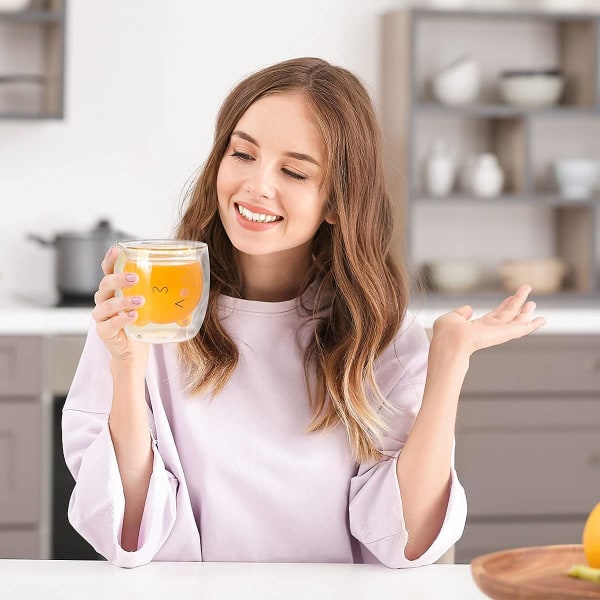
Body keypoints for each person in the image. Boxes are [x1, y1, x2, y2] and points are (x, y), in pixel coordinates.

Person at [62, 57, 545, 569]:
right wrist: (127, 365)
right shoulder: (147, 311)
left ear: (338, 200)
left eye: (293, 171)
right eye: (242, 154)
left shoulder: (378, 334)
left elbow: (408, 540)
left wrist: (449, 358)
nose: (256, 186)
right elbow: (130, 532)